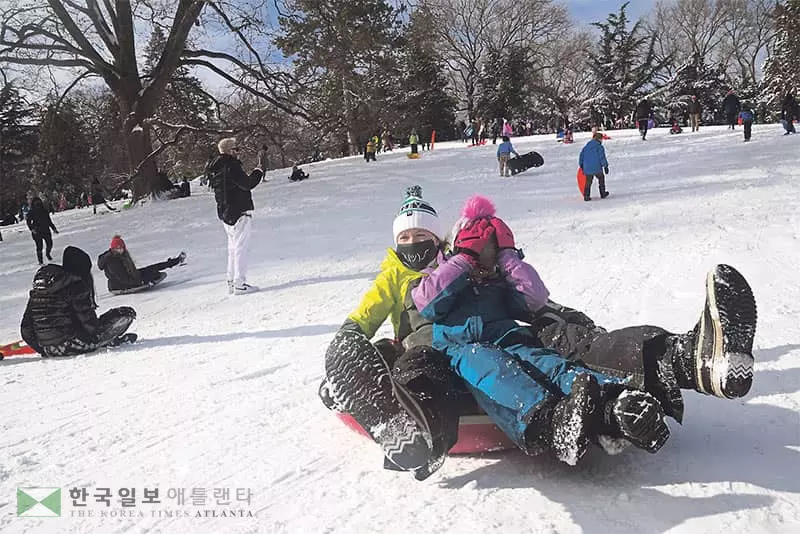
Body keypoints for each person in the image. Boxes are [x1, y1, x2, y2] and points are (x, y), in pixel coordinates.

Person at [411, 196, 670, 467]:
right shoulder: (439, 277)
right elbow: (427, 303)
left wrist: (508, 258)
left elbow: (534, 298)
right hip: (461, 352)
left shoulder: (496, 283)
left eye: (490, 253)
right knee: (493, 369)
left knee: (551, 364)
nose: (483, 262)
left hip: (509, 341)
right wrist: (464, 260)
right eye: (479, 251)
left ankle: (614, 404)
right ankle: (550, 421)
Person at [320, 186, 462, 479]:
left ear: (437, 239)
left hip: (439, 345)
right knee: (382, 350)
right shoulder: (393, 274)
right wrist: (353, 329)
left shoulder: (449, 266)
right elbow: (373, 305)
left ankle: (416, 420)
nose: (413, 243)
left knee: (419, 365)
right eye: (405, 238)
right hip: (406, 344)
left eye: (422, 236)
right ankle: (356, 392)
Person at [20, 246, 137, 357]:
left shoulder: (38, 290)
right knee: (126, 314)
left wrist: (44, 350)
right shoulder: (77, 285)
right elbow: (90, 326)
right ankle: (105, 342)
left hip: (48, 349)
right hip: (74, 344)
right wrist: (102, 335)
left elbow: (26, 329)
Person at [206, 137, 265, 295]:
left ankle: (231, 282)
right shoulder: (231, 166)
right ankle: (240, 283)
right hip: (238, 212)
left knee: (232, 248)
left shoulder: (216, 167)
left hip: (225, 213)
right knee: (240, 248)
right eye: (236, 149)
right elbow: (247, 184)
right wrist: (257, 172)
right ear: (230, 151)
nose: (238, 152)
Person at [97, 235, 185, 293]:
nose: (120, 250)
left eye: (121, 247)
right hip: (119, 284)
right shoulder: (113, 261)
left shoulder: (121, 256)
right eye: (117, 248)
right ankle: (175, 262)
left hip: (129, 277)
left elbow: (129, 272)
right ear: (113, 249)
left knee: (151, 268)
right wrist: (141, 282)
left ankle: (175, 261)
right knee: (151, 273)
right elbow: (122, 278)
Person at [26, 197, 59, 265]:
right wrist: (32, 229)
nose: (38, 204)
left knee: (50, 244)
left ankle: (48, 253)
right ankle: (40, 261)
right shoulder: (31, 212)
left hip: (46, 230)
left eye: (39, 202)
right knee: (39, 246)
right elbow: (28, 222)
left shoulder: (44, 210)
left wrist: (54, 228)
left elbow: (49, 220)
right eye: (36, 203)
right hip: (37, 231)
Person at [579, 132, 610, 201]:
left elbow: (581, 157)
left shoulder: (586, 147)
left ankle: (586, 196)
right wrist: (605, 166)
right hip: (597, 167)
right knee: (601, 178)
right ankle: (603, 193)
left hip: (587, 167)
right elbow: (602, 157)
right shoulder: (599, 147)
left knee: (588, 182)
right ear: (599, 139)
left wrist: (581, 165)